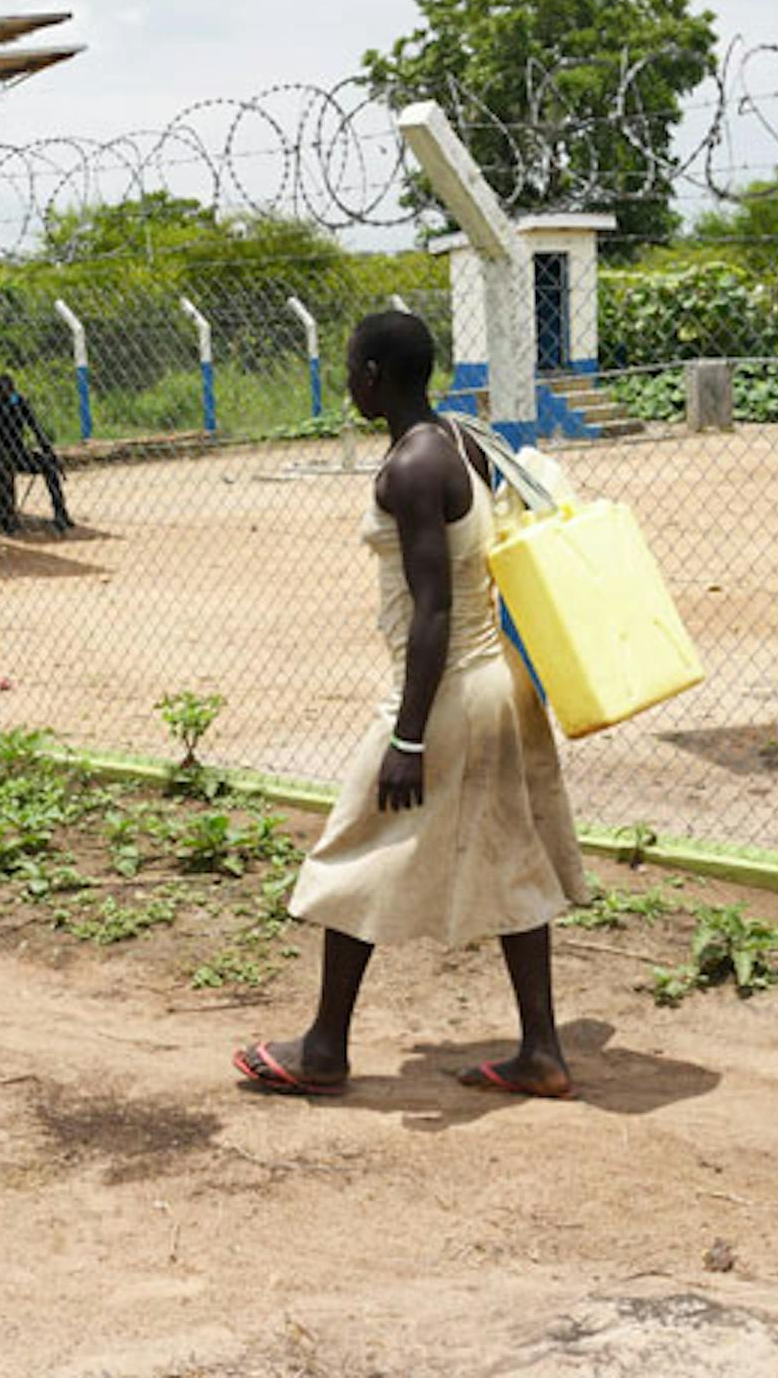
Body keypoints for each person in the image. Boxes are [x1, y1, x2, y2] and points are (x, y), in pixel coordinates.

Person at [234, 309, 589, 1102]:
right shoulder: (459, 437)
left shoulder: (409, 469)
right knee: (512, 854)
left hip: (444, 691)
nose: (348, 382)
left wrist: (408, 736)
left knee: (352, 847)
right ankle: (541, 1049)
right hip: (495, 680)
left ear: (370, 376)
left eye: (352, 368)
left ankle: (324, 1047)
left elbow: (432, 610)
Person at [0, 372, 72, 535]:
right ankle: (7, 517)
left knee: (48, 466)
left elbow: (36, 428)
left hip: (18, 452)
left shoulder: (20, 403)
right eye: (3, 393)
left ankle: (60, 512)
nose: (7, 397)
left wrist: (49, 452)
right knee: (4, 469)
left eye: (9, 393)